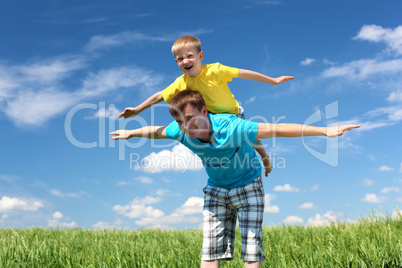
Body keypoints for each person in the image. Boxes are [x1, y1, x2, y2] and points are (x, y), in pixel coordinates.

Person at [111, 89, 360, 268]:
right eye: (180, 121)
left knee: (251, 250)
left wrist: (324, 131)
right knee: (210, 251)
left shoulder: (232, 127)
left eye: (190, 118)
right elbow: (157, 132)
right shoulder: (181, 131)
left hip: (248, 184)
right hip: (216, 190)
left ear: (205, 111)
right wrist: (130, 133)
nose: (186, 126)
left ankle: (264, 160)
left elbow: (278, 129)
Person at [118, 35, 294, 177]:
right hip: (210, 120)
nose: (185, 61)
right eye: (180, 59)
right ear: (176, 63)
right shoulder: (181, 83)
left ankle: (264, 158)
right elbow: (159, 96)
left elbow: (245, 73)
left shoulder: (215, 71)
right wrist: (137, 110)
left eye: (189, 56)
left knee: (252, 136)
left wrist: (273, 81)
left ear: (200, 56)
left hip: (233, 114)